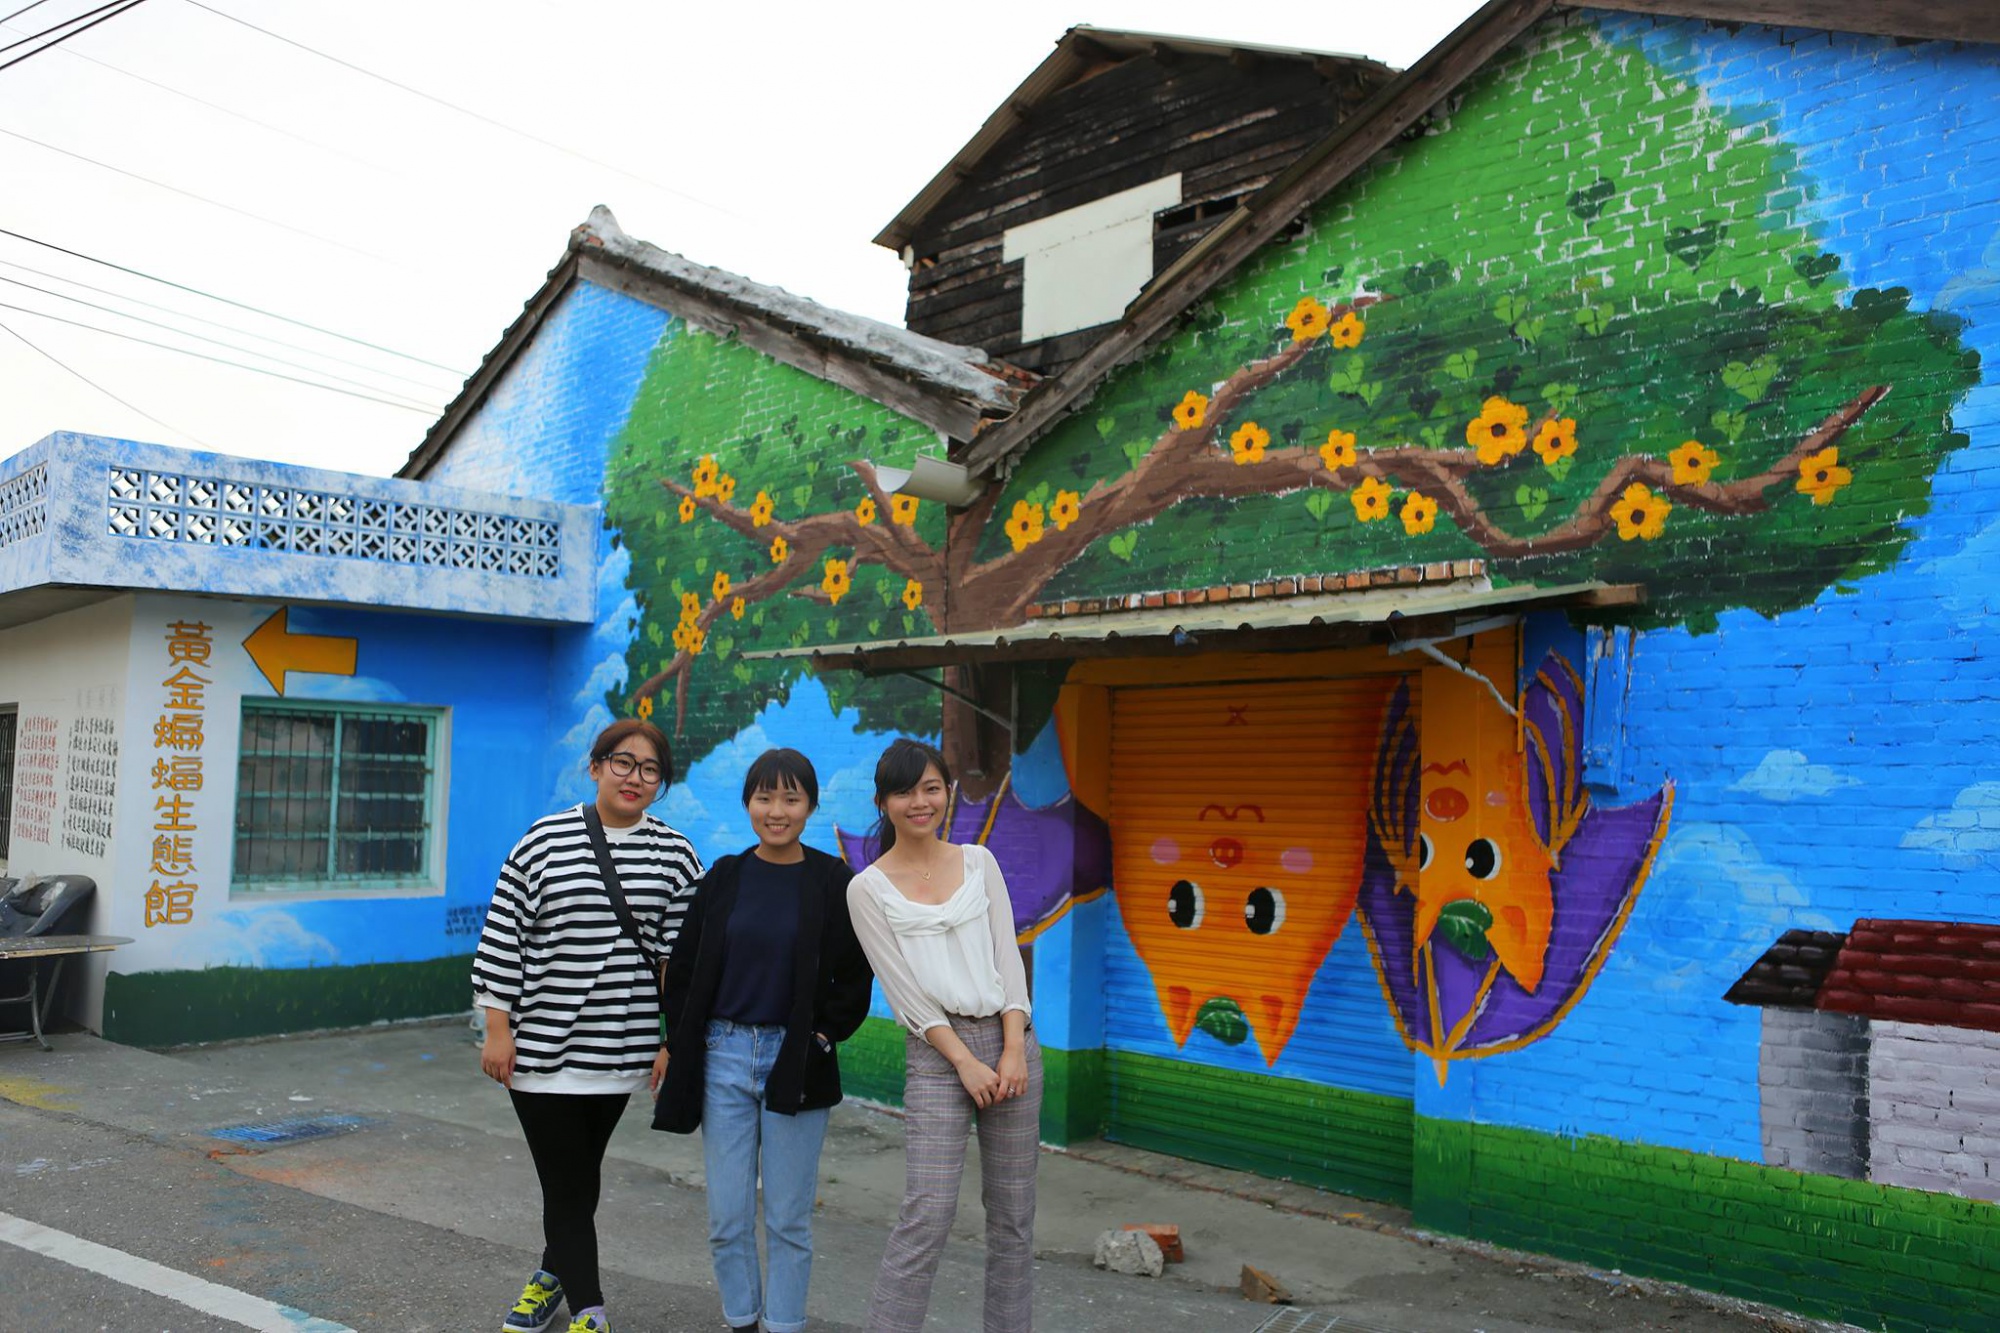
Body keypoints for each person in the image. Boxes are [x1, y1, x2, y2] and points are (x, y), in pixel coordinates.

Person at [473, 718, 702, 1333]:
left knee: (578, 1176)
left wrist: (668, 1041)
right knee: (566, 1183)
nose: (635, 778)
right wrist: (498, 1027)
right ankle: (590, 1312)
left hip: (618, 1051)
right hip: (538, 1049)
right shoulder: (544, 841)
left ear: (662, 784)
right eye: (623, 763)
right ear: (597, 766)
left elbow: (677, 962)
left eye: (650, 770)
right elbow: (503, 938)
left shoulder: (675, 855)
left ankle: (551, 1277)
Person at [654, 746, 874, 1333]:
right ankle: (742, 1320)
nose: (776, 811)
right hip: (723, 1056)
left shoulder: (833, 883)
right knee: (727, 1218)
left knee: (787, 1221)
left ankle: (784, 1325)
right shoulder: (724, 877)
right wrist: (676, 1042)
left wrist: (823, 1038)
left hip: (795, 1058)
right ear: (749, 802)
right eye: (765, 797)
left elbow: (856, 977)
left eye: (791, 798)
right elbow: (683, 966)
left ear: (810, 805)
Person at [845, 738, 1042, 1333]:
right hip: (938, 1058)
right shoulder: (867, 889)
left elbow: (1009, 959)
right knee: (926, 1215)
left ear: (947, 792)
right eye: (904, 791)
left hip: (1010, 1046)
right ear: (884, 803)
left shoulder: (980, 863)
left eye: (931, 787)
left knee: (1012, 1221)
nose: (919, 801)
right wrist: (964, 1061)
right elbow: (905, 995)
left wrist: (1012, 1049)